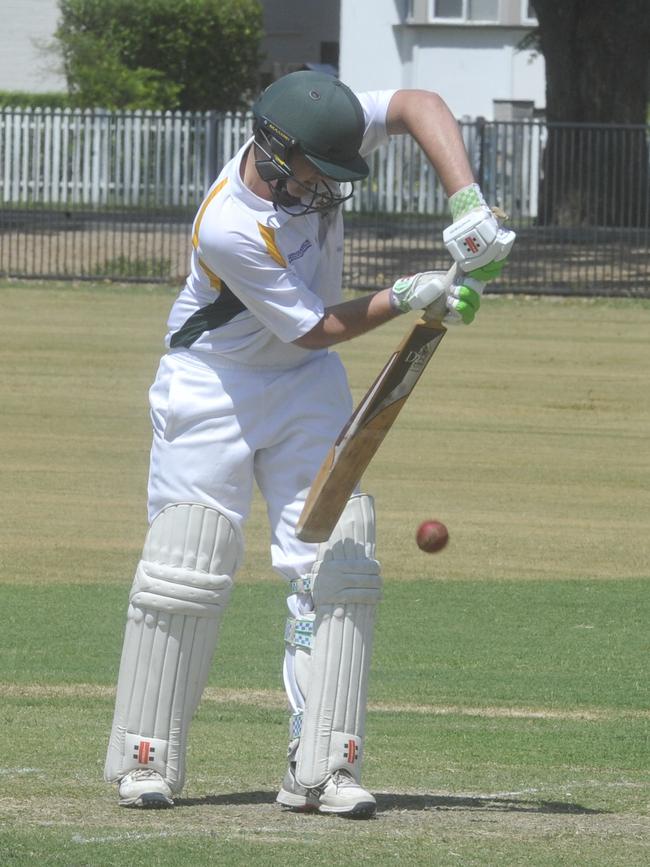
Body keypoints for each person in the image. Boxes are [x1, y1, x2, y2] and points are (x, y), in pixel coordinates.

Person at [104, 71, 515, 818]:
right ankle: (145, 755)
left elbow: (419, 104)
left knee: (338, 554)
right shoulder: (231, 223)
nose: (327, 191)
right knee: (188, 557)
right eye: (315, 178)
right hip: (214, 384)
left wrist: (468, 204)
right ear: (272, 149)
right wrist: (407, 294)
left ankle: (322, 764)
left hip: (304, 385)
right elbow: (310, 324)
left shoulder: (320, 128)